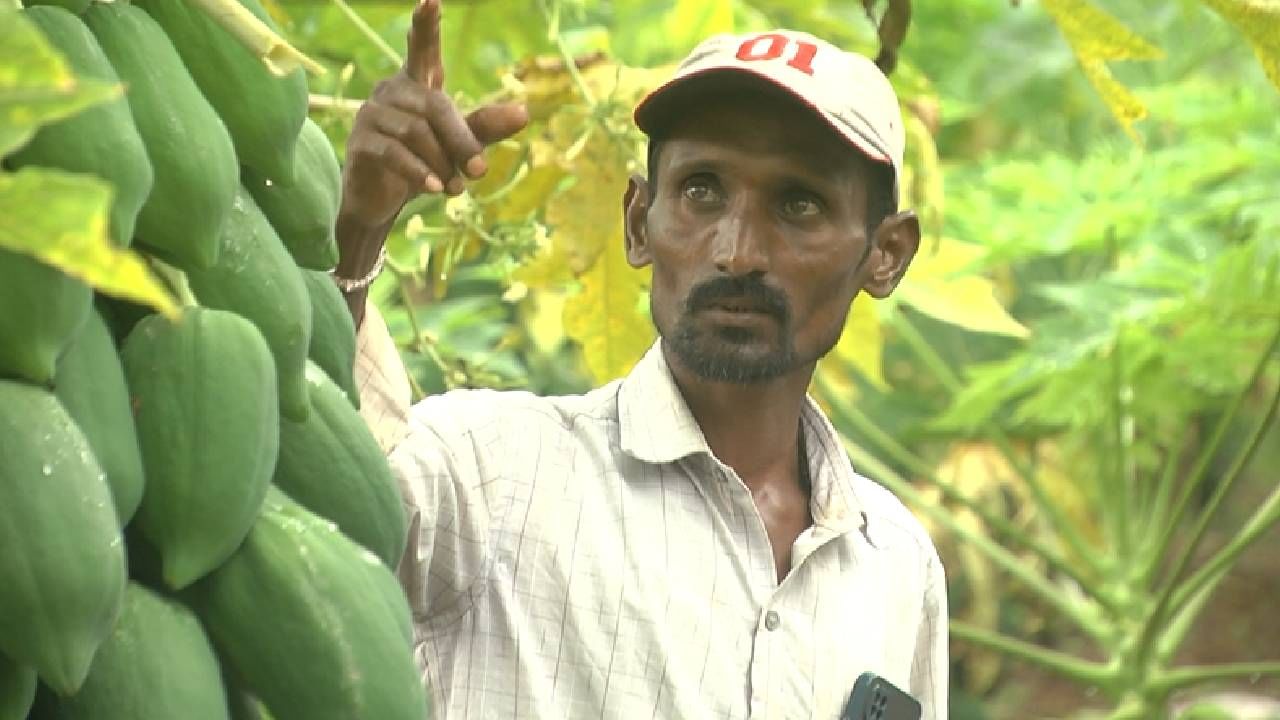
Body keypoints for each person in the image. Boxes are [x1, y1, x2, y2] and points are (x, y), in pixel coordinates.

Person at [335, 0, 948, 717]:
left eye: (800, 204)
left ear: (886, 254)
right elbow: (307, 479)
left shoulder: (897, 567)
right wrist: (357, 232)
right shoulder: (489, 475)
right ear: (637, 223)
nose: (738, 251)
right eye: (701, 191)